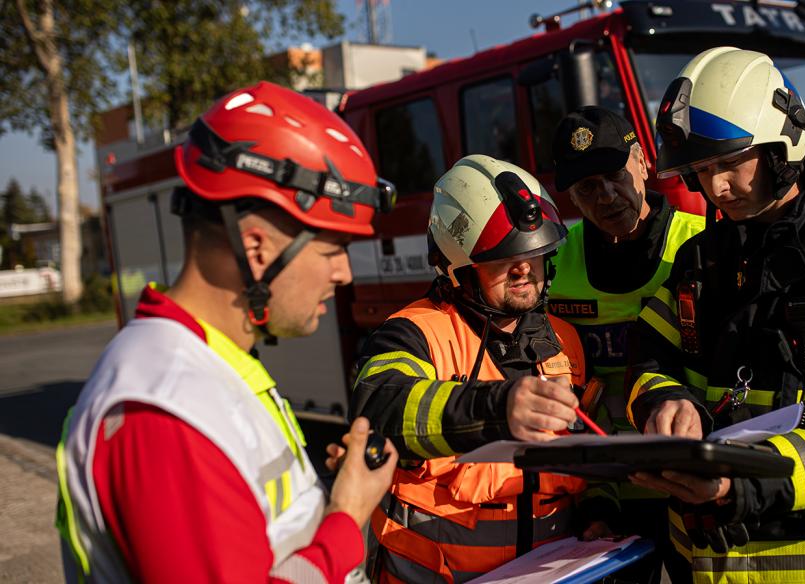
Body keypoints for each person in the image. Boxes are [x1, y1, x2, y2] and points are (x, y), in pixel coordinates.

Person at [55, 82, 398, 583]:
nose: (344, 273)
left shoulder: (209, 365)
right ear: (258, 249)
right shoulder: (168, 411)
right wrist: (346, 516)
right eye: (332, 251)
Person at [626, 47, 805, 583]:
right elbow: (651, 355)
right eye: (699, 170)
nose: (713, 188)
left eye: (727, 164)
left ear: (780, 147)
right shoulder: (702, 256)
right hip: (706, 558)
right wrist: (664, 399)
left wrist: (740, 484)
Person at [350, 155, 588, 583]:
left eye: (534, 253)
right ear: (456, 269)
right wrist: (496, 408)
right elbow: (378, 408)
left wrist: (598, 513)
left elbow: (590, 456)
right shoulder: (414, 334)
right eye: (501, 258)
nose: (523, 268)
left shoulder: (565, 343)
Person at [548, 106, 704, 583]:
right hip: (606, 491)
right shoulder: (554, 263)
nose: (605, 196)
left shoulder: (700, 244)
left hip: (693, 482)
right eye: (586, 189)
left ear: (642, 162)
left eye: (614, 175)